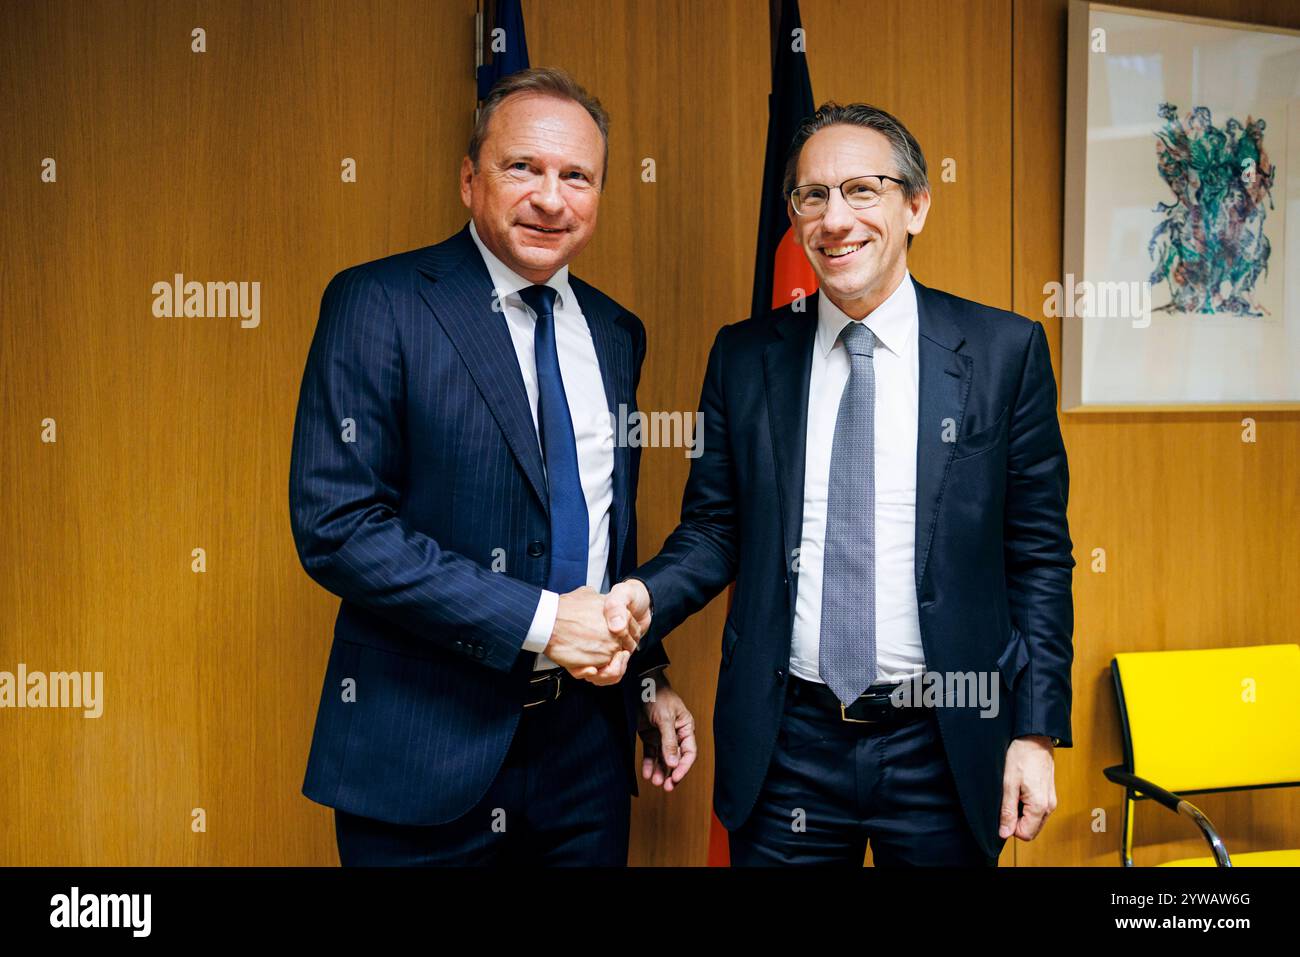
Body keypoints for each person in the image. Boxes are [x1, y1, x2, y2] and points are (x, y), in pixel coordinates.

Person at [604, 102, 1073, 866]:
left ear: (915, 205)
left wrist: (1035, 729)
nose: (834, 218)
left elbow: (1040, 556)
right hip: (789, 741)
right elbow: (715, 528)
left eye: (862, 189)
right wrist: (645, 598)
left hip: (945, 742)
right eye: (811, 196)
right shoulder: (745, 356)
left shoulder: (1002, 352)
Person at [289, 67, 696, 866]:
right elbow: (338, 528)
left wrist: (645, 674)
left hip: (586, 753)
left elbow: (603, 528)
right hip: (423, 754)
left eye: (576, 175)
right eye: (523, 168)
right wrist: (545, 623)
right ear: (470, 179)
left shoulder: (616, 333)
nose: (552, 198)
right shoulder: (380, 302)